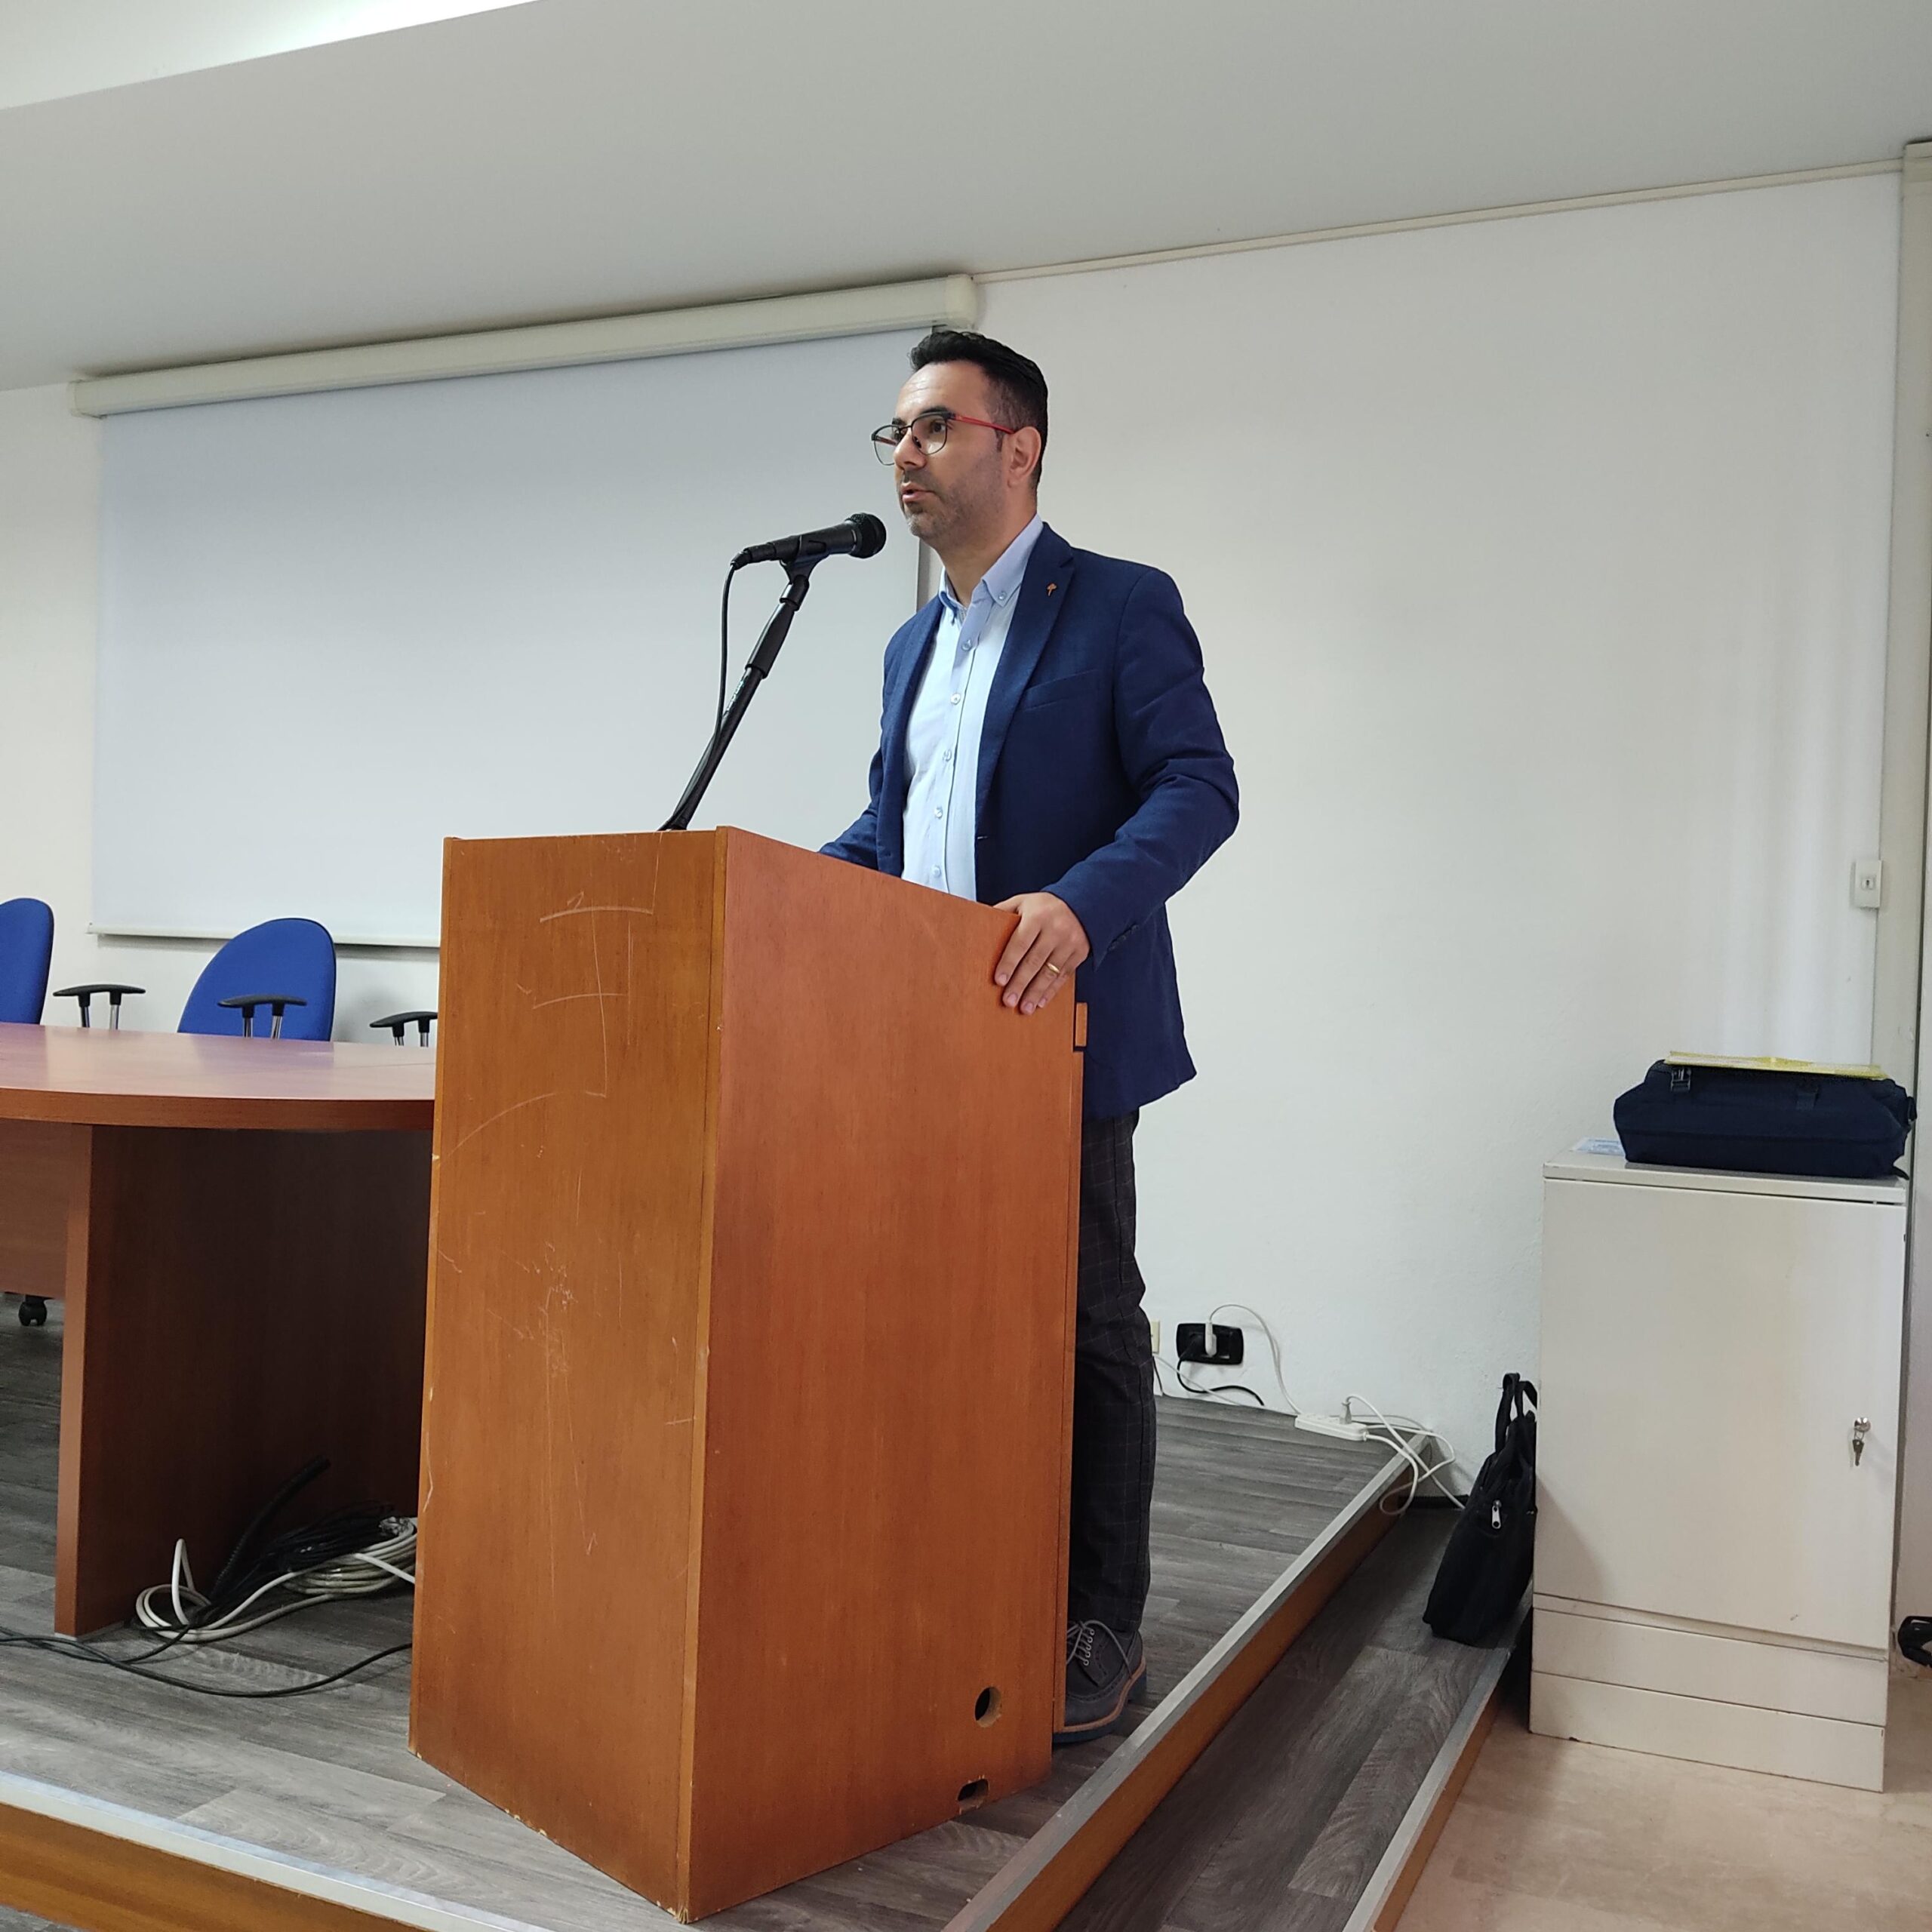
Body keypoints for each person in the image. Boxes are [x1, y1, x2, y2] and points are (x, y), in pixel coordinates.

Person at [822, 328, 1238, 1743]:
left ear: (1021, 447)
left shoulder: (1118, 605)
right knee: (946, 1317)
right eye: (895, 431)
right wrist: (770, 890)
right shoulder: (912, 643)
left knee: (1087, 1324)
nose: (905, 454)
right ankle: (968, 1564)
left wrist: (1078, 903)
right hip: (924, 1046)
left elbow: (1197, 786)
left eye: (933, 426)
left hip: (1062, 1029)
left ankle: (1100, 1617)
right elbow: (894, 828)